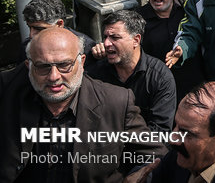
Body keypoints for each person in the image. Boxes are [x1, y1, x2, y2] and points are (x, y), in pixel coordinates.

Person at [0, 28, 166, 181]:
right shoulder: (9, 95)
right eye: (43, 67)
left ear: (81, 61)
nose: (53, 76)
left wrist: (139, 175)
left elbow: (156, 153)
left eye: (64, 65)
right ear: (29, 66)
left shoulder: (116, 103)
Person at [88, 10, 177, 132]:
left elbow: (160, 131)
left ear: (136, 40)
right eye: (105, 37)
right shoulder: (96, 74)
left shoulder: (160, 77)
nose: (107, 43)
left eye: (115, 37)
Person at [21, 0, 96, 65]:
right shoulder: (27, 46)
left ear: (59, 24)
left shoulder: (86, 48)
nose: (31, 35)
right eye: (29, 27)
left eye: (39, 29)